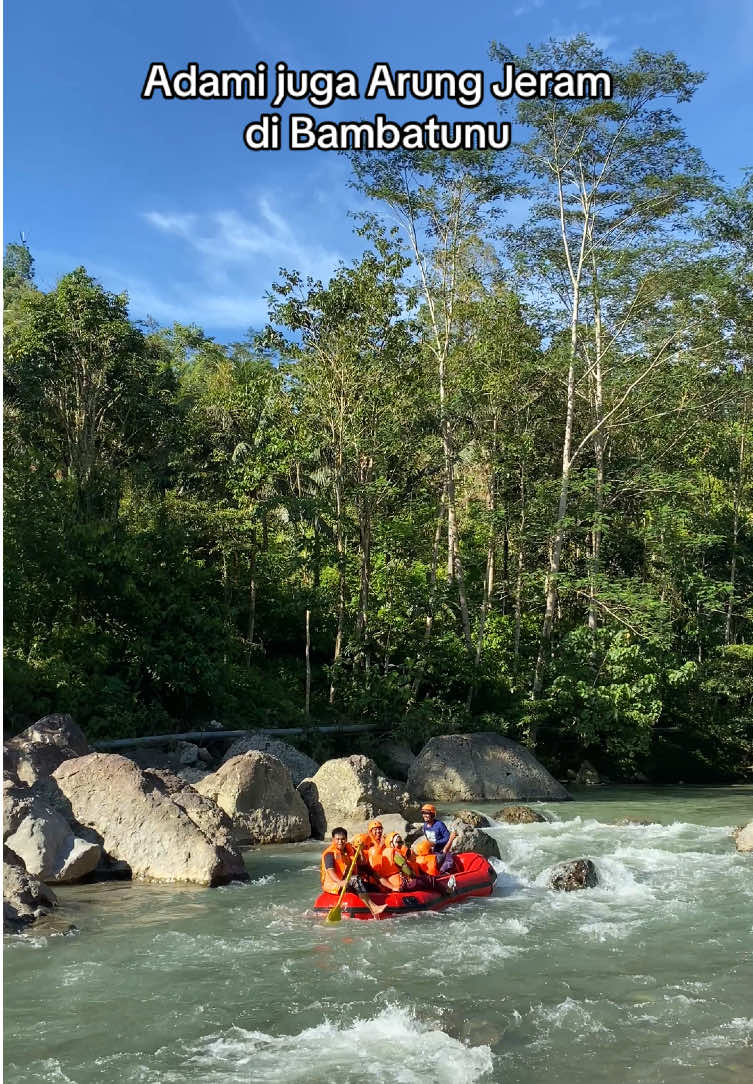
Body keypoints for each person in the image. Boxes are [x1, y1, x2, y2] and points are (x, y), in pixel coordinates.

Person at [320, 827, 387, 917]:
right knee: (356, 879)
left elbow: (362, 863)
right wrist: (339, 882)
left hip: (348, 882)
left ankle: (383, 907)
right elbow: (330, 871)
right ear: (333, 840)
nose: (340, 842)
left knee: (373, 887)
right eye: (338, 839)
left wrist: (361, 851)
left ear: (346, 839)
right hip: (336, 884)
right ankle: (373, 908)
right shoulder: (329, 853)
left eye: (343, 839)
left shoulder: (350, 849)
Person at [419, 803, 457, 875]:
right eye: (423, 813)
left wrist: (436, 843)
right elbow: (428, 839)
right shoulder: (424, 826)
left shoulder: (439, 825)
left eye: (427, 813)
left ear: (432, 815)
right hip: (433, 850)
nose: (425, 815)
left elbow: (447, 837)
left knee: (449, 862)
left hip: (442, 850)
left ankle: (443, 873)